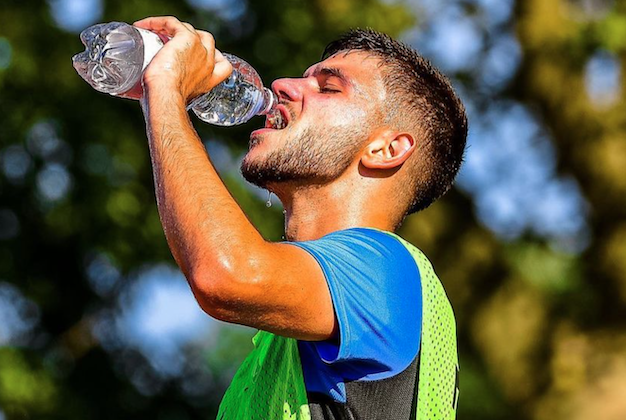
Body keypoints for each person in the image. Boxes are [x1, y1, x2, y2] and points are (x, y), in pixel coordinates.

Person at [125, 16, 467, 420]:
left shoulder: (386, 270)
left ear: (386, 148)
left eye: (328, 87)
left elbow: (226, 275)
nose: (282, 86)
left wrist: (164, 89)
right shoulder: (278, 351)